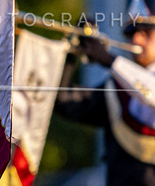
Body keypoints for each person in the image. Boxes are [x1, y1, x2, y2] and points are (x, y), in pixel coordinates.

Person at [55, 12, 155, 185]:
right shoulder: (116, 89)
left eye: (146, 33)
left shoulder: (119, 73)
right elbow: (64, 102)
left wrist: (109, 59)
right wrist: (73, 51)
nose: (136, 41)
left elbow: (150, 92)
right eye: (131, 34)